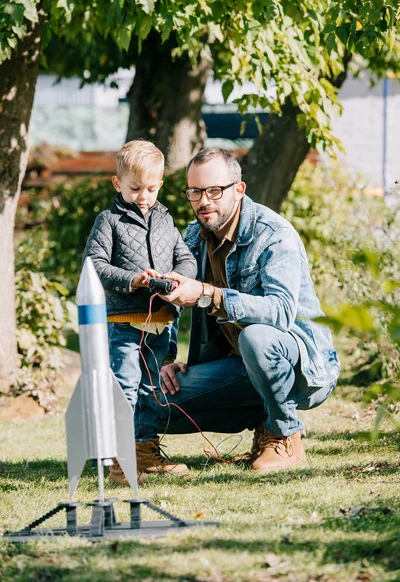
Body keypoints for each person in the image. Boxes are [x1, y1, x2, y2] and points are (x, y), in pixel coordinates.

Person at [159, 147, 340, 472]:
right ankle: (261, 417)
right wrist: (165, 360)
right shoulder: (193, 237)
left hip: (302, 370)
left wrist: (208, 294)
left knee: (256, 339)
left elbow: (281, 312)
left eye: (214, 190)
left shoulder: (273, 236)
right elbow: (171, 294)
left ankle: (286, 434)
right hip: (235, 369)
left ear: (238, 190)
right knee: (150, 401)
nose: (204, 201)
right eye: (195, 191)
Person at [83, 140, 197, 482]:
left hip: (162, 323)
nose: (143, 196)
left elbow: (186, 259)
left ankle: (145, 453)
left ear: (160, 184)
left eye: (150, 188)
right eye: (135, 188)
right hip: (124, 324)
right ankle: (118, 461)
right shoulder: (109, 221)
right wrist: (132, 279)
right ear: (118, 184)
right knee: (125, 386)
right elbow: (94, 264)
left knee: (151, 390)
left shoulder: (165, 220)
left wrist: (180, 278)